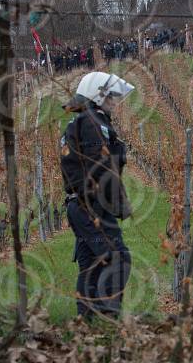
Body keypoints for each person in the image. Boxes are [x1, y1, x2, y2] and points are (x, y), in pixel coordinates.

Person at [60, 72, 135, 320]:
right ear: (97, 95)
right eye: (111, 96)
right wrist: (117, 204)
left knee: (90, 264)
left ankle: (86, 322)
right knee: (118, 258)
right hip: (91, 205)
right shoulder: (94, 122)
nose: (115, 101)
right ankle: (108, 317)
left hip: (78, 205)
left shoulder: (81, 121)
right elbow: (100, 168)